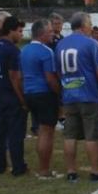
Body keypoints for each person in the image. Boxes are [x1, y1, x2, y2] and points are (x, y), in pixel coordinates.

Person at [55, 12, 98, 183]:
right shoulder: (91, 44)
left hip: (69, 95)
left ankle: (71, 171)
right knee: (91, 135)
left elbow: (58, 71)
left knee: (70, 135)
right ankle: (95, 171)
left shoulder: (61, 44)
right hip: (88, 94)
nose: (91, 27)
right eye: (89, 24)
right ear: (83, 26)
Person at [21, 20, 62, 179]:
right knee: (46, 132)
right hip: (44, 94)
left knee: (41, 131)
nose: (53, 34)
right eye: (50, 31)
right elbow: (50, 78)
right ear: (42, 34)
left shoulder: (24, 50)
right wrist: (59, 94)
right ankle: (44, 170)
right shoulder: (46, 52)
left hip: (29, 93)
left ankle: (43, 167)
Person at [0, 16, 28, 176]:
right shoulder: (12, 49)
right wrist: (22, 100)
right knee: (15, 133)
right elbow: (15, 77)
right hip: (11, 96)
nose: (21, 35)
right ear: (11, 30)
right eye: (19, 31)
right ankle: (18, 167)